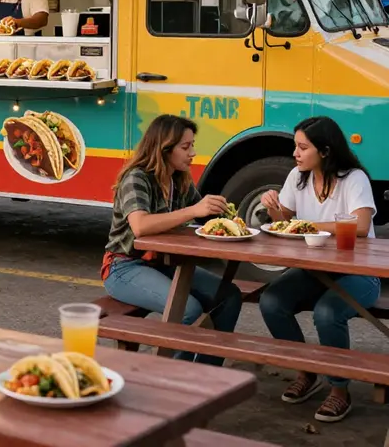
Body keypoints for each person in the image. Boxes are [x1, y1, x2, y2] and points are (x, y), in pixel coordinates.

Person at [259, 116, 379, 424]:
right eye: (295, 147)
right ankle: (306, 371)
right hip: (315, 270)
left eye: (302, 147)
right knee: (272, 301)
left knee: (327, 312)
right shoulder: (298, 176)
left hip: (361, 272)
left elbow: (361, 226)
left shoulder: (353, 179)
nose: (295, 154)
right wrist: (272, 205)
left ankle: (340, 390)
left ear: (324, 151)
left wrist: (305, 224)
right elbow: (283, 218)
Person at [101, 114, 242, 365]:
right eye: (185, 147)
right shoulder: (137, 178)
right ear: (164, 148)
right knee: (188, 310)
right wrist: (194, 210)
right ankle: (175, 376)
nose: (193, 153)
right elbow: (140, 225)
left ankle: (207, 372)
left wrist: (224, 218)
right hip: (124, 267)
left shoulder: (179, 180)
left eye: (192, 145)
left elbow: (202, 220)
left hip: (166, 264)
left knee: (229, 296)